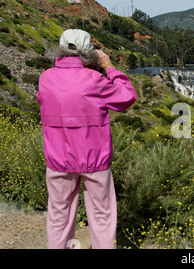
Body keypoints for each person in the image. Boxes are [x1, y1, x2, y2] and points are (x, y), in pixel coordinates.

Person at [36, 29, 137, 249]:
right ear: (89, 52)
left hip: (58, 160)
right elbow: (127, 97)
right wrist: (109, 68)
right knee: (102, 215)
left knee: (58, 215)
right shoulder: (95, 79)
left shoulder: (46, 78)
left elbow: (41, 101)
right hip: (95, 161)